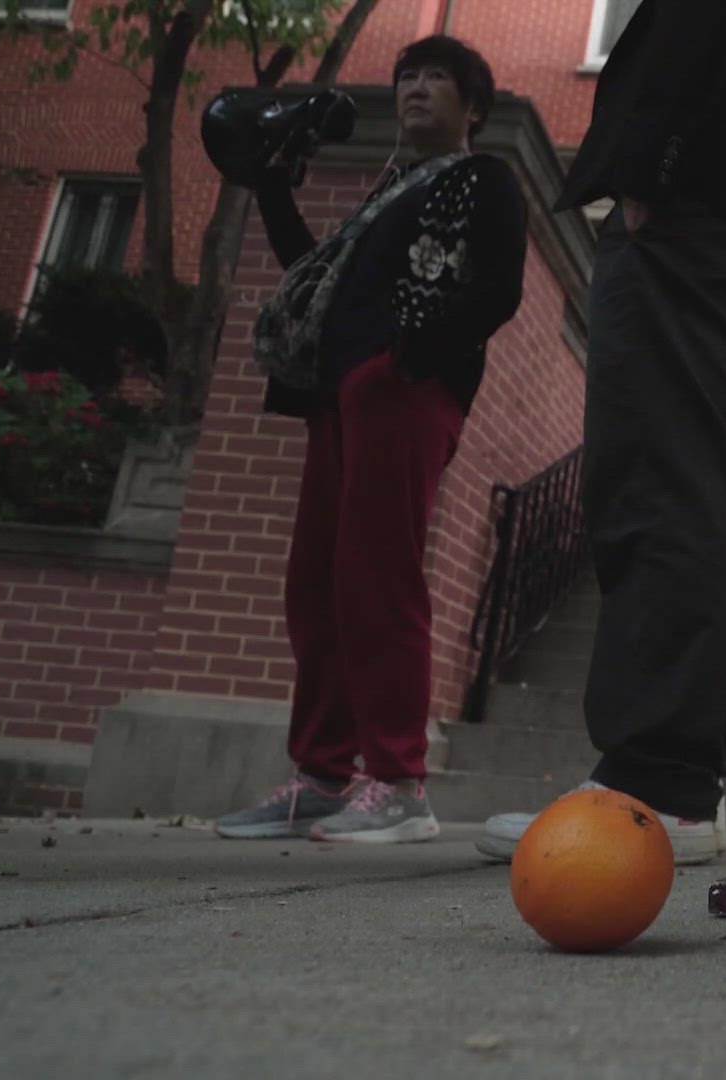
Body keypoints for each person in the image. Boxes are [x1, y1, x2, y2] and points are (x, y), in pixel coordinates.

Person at [476, 0, 726, 866]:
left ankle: (654, 781)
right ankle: (679, 777)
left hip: (691, 222)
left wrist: (653, 174)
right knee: (708, 489)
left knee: (662, 480)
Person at [215, 35, 526, 842]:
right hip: (336, 394)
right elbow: (308, 272)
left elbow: (499, 288)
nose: (416, 89)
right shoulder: (388, 192)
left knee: (378, 577)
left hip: (401, 391)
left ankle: (398, 783)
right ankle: (323, 775)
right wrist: (273, 189)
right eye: (408, 77)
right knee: (316, 582)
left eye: (436, 78)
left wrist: (407, 360)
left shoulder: (482, 179)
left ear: (474, 106)